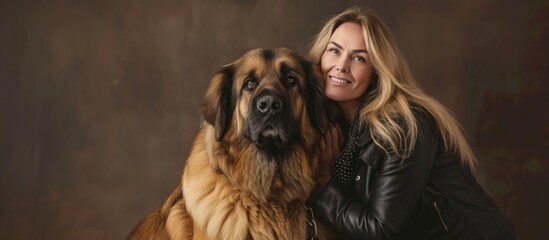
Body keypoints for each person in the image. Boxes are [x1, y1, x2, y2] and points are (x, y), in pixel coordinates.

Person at [306, 6, 516, 240]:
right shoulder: (330, 123)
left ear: (376, 71)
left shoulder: (404, 126)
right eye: (334, 51)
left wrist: (324, 182)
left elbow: (379, 231)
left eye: (359, 58)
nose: (342, 65)